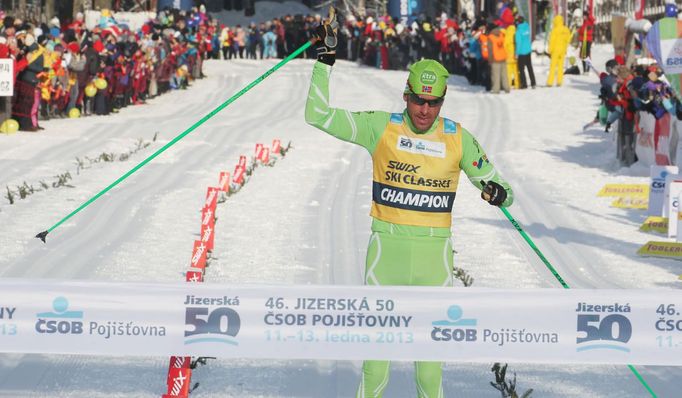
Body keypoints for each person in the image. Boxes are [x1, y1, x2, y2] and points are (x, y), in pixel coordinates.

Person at [305, 12, 514, 398]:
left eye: (434, 103)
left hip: (435, 258)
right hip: (387, 253)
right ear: (406, 95)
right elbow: (316, 115)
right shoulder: (380, 127)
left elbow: (500, 185)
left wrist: (496, 192)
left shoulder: (458, 138)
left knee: (430, 374)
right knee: (375, 367)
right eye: (419, 100)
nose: (424, 110)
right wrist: (324, 63)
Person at [546, 15, 571, 87]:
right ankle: (559, 81)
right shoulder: (566, 29)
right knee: (560, 66)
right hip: (562, 50)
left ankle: (550, 82)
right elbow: (568, 40)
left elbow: (552, 41)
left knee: (553, 66)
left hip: (555, 50)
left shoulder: (555, 30)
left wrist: (549, 50)